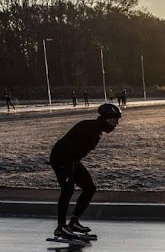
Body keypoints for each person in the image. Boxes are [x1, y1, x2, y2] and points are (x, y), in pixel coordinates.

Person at [48, 103, 122, 241]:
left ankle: (74, 222)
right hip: (62, 159)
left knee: (89, 188)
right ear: (106, 118)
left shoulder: (97, 130)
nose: (117, 123)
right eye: (115, 119)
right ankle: (61, 227)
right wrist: (68, 173)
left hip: (72, 160)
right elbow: (68, 150)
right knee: (68, 189)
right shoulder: (88, 128)